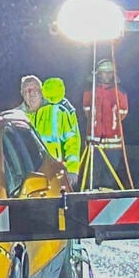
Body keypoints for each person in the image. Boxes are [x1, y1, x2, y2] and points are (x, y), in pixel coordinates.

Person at [82, 58, 130, 189]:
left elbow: (123, 113)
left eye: (110, 72)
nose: (107, 75)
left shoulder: (119, 91)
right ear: (98, 74)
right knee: (94, 173)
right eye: (104, 72)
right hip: (94, 140)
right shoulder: (90, 91)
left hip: (113, 142)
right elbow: (87, 112)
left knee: (110, 175)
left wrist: (112, 124)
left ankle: (106, 199)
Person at [33, 77, 81, 189]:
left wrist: (72, 170)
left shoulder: (41, 108)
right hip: (52, 167)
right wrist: (72, 170)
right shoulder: (65, 110)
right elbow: (73, 142)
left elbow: (72, 142)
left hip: (45, 166)